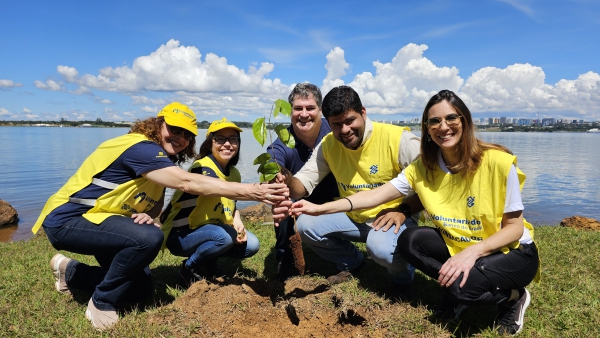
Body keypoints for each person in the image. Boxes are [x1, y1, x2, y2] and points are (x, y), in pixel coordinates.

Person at [291, 90, 540, 335]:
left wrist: (470, 254)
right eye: (434, 121)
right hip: (462, 244)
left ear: (465, 120)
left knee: (460, 290)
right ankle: (459, 283)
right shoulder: (425, 167)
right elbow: (372, 196)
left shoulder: (497, 162)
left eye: (451, 118)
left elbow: (514, 228)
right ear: (427, 129)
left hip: (512, 251)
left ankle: (513, 298)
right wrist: (317, 208)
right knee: (411, 242)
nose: (443, 127)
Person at [33, 103, 288, 330]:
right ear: (157, 124)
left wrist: (145, 217)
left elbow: (153, 210)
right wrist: (254, 191)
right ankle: (102, 301)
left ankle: (71, 273)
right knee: (148, 238)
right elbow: (186, 182)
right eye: (174, 129)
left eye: (187, 135)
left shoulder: (161, 161)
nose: (180, 138)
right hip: (67, 219)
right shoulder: (140, 147)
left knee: (141, 289)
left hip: (103, 220)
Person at [274, 85, 422, 300]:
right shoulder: (328, 145)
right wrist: (286, 177)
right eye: (336, 125)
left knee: (379, 248)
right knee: (306, 225)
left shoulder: (398, 139)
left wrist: (405, 209)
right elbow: (301, 185)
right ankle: (353, 262)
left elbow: (436, 179)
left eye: (350, 121)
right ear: (328, 123)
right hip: (354, 215)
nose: (344, 130)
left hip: (395, 217)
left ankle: (403, 280)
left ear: (363, 112)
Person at [161, 118, 260, 286]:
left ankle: (208, 261)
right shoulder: (202, 168)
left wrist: (237, 220)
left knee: (252, 245)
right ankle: (189, 268)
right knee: (224, 236)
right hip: (181, 235)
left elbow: (232, 202)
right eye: (220, 139)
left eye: (233, 139)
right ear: (210, 143)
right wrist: (257, 192)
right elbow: (217, 188)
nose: (227, 144)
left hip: (211, 231)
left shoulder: (234, 172)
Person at [267, 83, 338, 281]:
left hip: (334, 195)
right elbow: (273, 161)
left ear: (320, 110)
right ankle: (284, 256)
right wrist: (276, 173)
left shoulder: (334, 131)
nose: (304, 114)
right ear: (290, 111)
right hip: (297, 197)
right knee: (280, 198)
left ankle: (341, 254)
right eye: (298, 108)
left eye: (310, 108)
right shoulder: (282, 141)